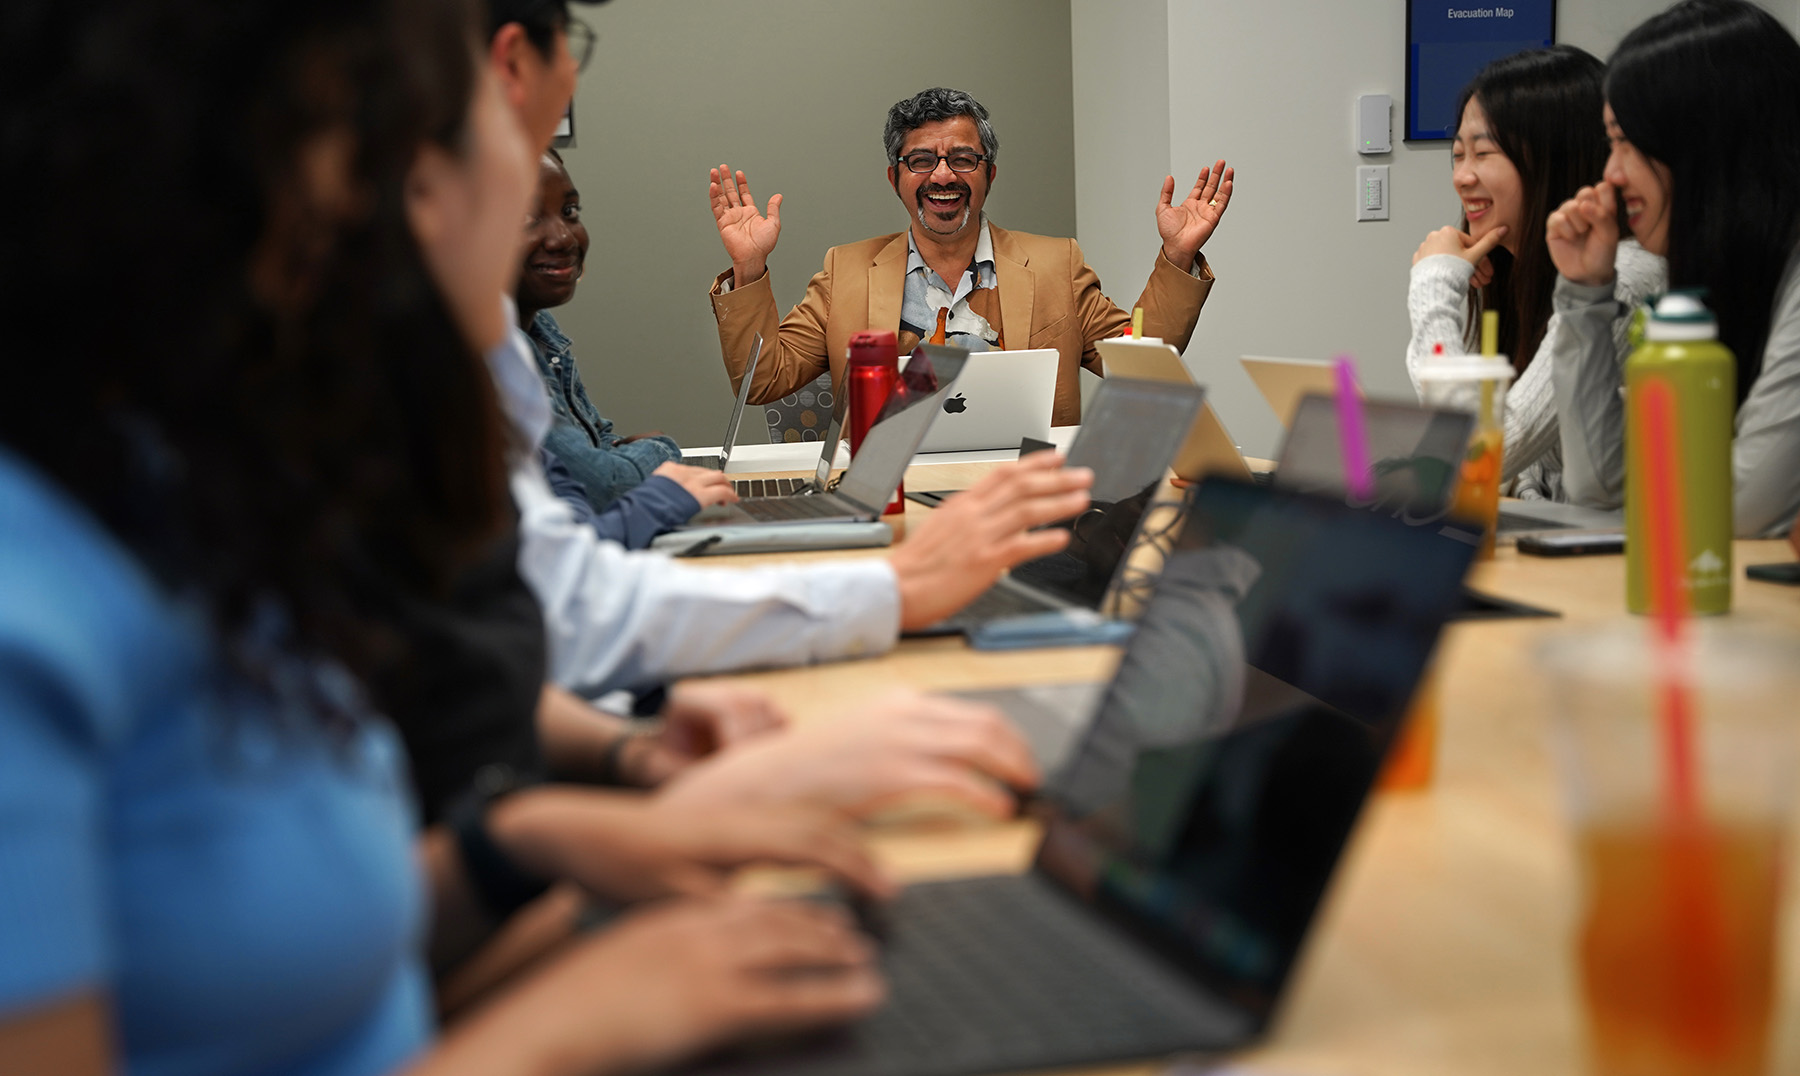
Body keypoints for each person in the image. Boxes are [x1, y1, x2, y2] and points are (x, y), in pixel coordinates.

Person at [0, 0, 900, 1072]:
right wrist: (567, 1025)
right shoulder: (35, 608)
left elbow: (299, 968)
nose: (517, 181)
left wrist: (516, 850)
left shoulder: (222, 493)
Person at [707, 86, 1233, 425]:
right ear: (895, 178)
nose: (942, 176)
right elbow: (763, 380)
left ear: (989, 175)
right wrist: (750, 269)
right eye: (921, 160)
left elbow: (1141, 367)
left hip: (1028, 500)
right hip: (897, 497)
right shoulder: (846, 271)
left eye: (962, 159)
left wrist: (1177, 257)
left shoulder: (1055, 264)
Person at [1546, 0, 1800, 537]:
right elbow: (1601, 486)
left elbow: (1738, 515)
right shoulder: (1715, 277)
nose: (1610, 174)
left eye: (1627, 142)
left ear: (1708, 143)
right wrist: (1585, 294)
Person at [1406, 46, 1666, 499]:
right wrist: (1444, 296)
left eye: (1483, 153)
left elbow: (1477, 451)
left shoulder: (1622, 279)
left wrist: (1433, 288)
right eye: (1458, 155)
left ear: (1554, 158)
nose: (1462, 177)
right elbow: (1470, 432)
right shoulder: (1512, 273)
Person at [520, 147, 735, 532]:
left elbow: (598, 442)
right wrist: (660, 452)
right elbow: (604, 486)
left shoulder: (540, 330)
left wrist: (619, 462)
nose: (563, 237)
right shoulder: (485, 355)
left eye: (569, 212)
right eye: (526, 218)